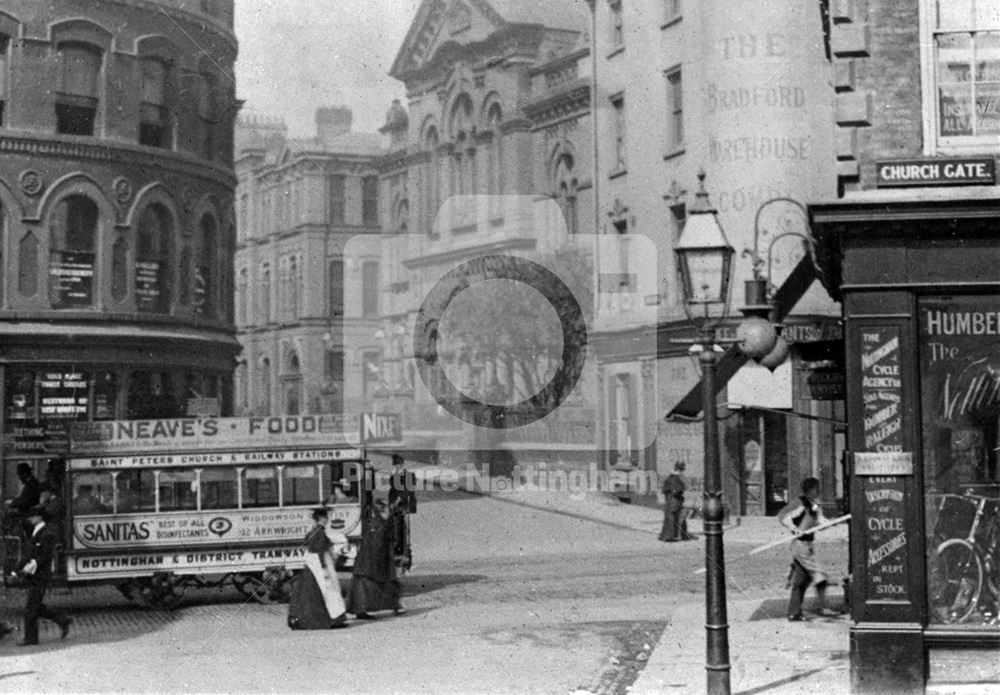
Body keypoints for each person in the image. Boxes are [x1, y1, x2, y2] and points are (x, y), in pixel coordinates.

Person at [778, 477, 839, 621]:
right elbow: (783, 516)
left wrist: (829, 523)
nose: (818, 491)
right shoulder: (800, 503)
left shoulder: (814, 505)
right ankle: (823, 607)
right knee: (820, 576)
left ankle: (794, 613)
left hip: (808, 546)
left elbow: (820, 519)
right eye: (816, 489)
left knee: (801, 580)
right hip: (800, 545)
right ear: (810, 490)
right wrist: (794, 529)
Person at [13, 505, 71, 645]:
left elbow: (44, 556)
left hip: (41, 575)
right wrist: (17, 570)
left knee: (31, 608)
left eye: (32, 516)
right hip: (36, 575)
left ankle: (31, 638)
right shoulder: (37, 532)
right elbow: (29, 554)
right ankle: (62, 620)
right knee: (36, 606)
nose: (30, 518)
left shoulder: (47, 533)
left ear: (39, 517)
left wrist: (30, 566)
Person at [288, 508, 348, 630]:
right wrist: (325, 568)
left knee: (317, 590)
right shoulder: (320, 533)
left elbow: (307, 542)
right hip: (320, 563)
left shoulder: (314, 531)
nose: (327, 519)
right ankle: (334, 618)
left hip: (312, 562)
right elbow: (320, 550)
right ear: (320, 519)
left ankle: (333, 618)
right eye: (325, 517)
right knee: (328, 590)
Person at [347, 499, 403, 619]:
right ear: (383, 511)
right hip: (374, 561)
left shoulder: (376, 522)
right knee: (380, 585)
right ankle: (393, 607)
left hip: (367, 562)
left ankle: (361, 610)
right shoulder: (379, 524)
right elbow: (378, 544)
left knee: (365, 587)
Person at [388, 454, 416, 570]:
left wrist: (398, 500)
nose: (396, 467)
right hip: (395, 507)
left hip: (405, 507)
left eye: (398, 465)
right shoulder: (394, 477)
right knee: (394, 529)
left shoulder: (410, 476)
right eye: (395, 465)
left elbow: (407, 491)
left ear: (402, 465)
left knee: (404, 531)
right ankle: (396, 552)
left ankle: (405, 555)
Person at [659, 462, 694, 542]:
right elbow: (678, 489)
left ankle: (670, 535)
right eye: (682, 469)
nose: (682, 472)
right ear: (679, 469)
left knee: (673, 518)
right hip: (675, 500)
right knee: (674, 518)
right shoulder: (675, 478)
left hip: (671, 500)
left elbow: (665, 490)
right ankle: (671, 536)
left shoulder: (670, 477)